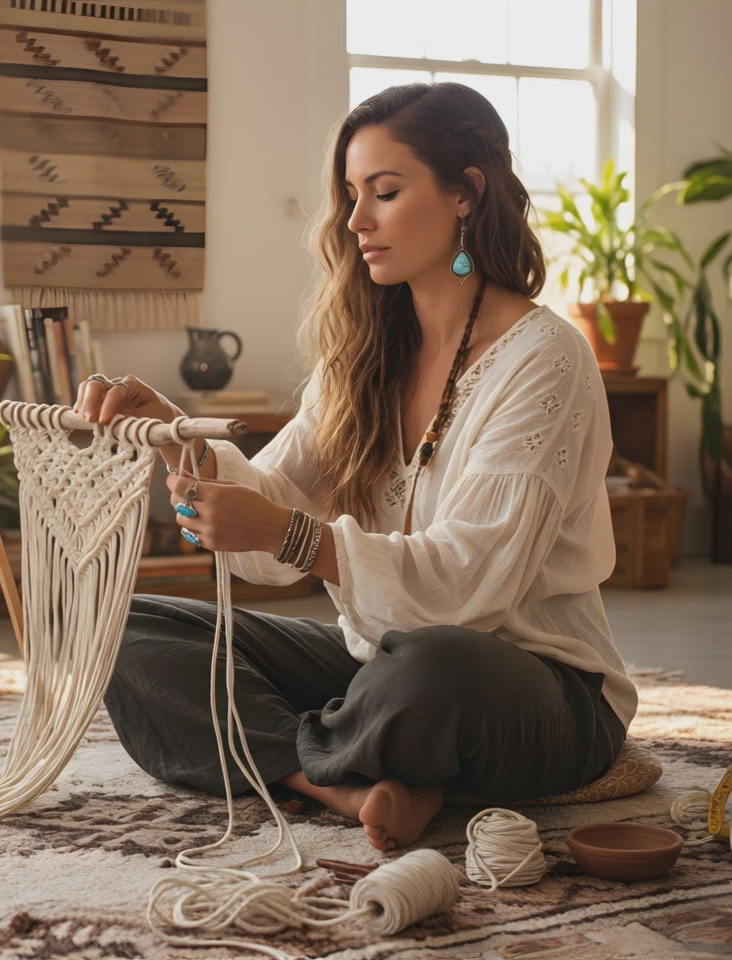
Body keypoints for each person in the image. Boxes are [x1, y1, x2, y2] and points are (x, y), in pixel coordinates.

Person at [73, 82, 636, 854]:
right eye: (348, 195)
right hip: (379, 663)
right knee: (120, 625)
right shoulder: (364, 358)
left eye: (386, 191)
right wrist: (178, 433)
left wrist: (296, 536)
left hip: (527, 685)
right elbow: (269, 505)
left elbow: (468, 589)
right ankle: (339, 783)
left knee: (430, 667)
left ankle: (322, 747)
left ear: (466, 193)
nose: (356, 220)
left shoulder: (546, 358)